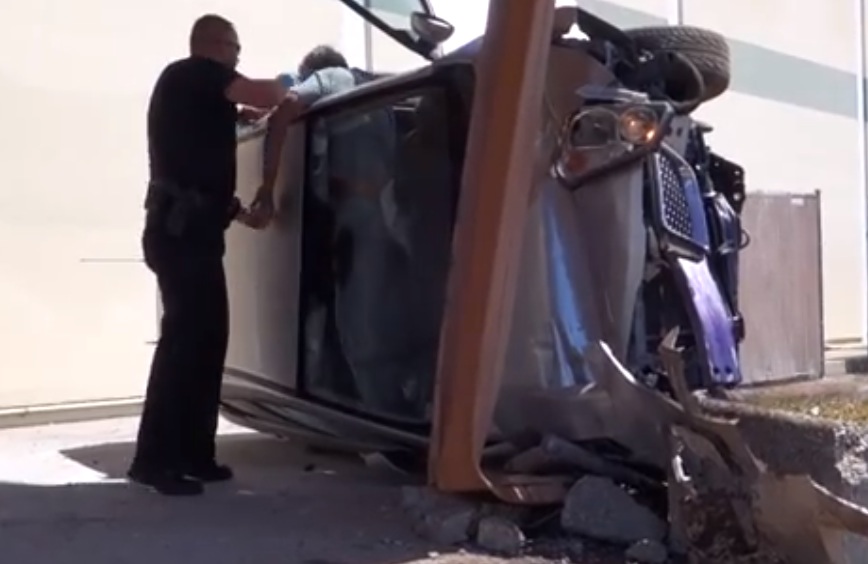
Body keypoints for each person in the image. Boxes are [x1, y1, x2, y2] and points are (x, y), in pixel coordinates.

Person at [129, 14, 303, 496]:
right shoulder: (193, 73)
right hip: (181, 234)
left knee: (207, 342)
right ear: (214, 44)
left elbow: (203, 168)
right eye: (235, 48)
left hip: (194, 233)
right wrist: (293, 83)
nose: (237, 57)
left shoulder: (199, 101)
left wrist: (242, 211)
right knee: (184, 345)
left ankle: (194, 454)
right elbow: (267, 94)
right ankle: (154, 460)